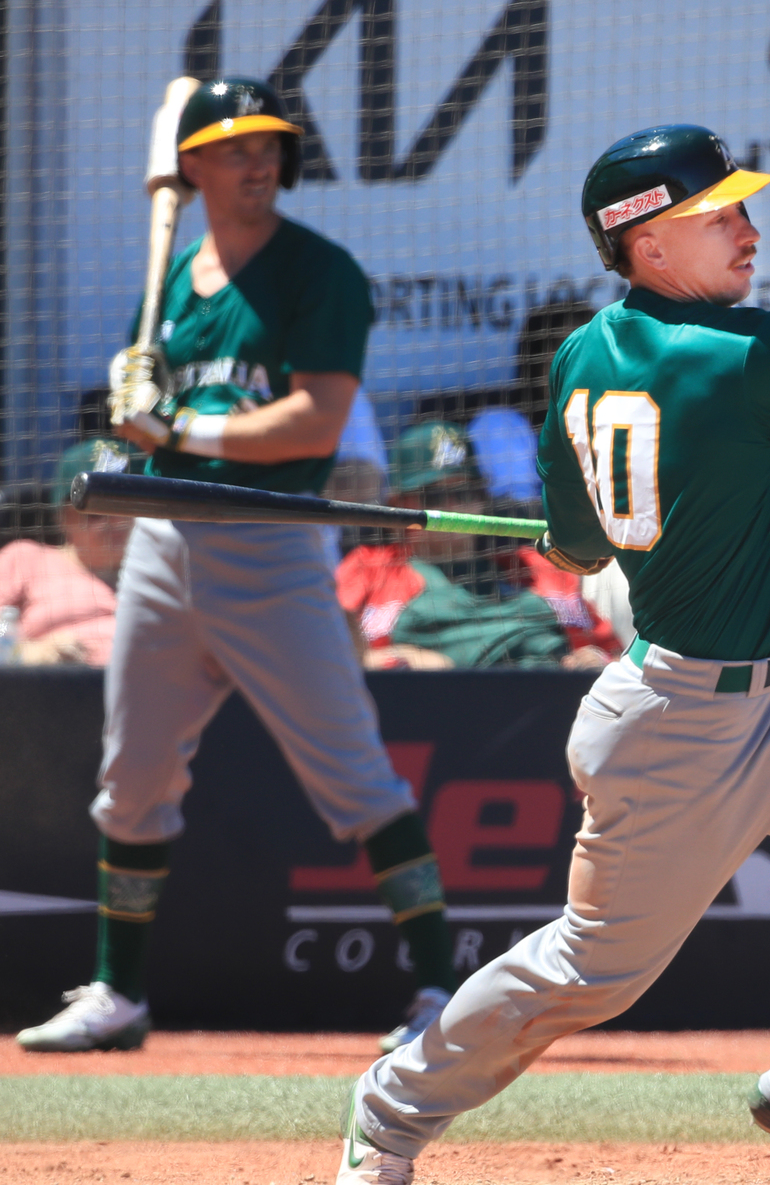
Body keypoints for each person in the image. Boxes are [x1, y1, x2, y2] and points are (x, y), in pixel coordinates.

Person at [336, 123, 770, 1185]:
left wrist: (579, 535)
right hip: (681, 722)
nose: (749, 229)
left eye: (742, 208)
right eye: (719, 214)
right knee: (593, 970)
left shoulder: (579, 354)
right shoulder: (757, 351)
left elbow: (577, 545)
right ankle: (391, 1109)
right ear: (647, 245)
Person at [17, 78, 456, 1055]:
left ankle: (439, 990)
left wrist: (176, 425)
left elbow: (316, 422)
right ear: (192, 167)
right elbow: (154, 417)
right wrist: (133, 402)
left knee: (356, 777)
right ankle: (118, 991)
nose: (257, 162)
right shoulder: (171, 281)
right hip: (163, 542)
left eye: (269, 146)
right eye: (233, 147)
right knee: (132, 777)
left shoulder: (321, 271)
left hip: (271, 541)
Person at [336, 421, 618, 670]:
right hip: (436, 702)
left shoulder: (538, 566)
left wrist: (592, 658)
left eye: (464, 493)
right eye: (434, 497)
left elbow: (612, 652)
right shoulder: (369, 568)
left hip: (551, 694)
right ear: (398, 505)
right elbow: (327, 653)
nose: (453, 507)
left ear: (483, 497)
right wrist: (396, 660)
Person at [0, 439, 136, 667]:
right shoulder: (26, 559)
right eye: (96, 512)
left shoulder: (171, 570)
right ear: (62, 516)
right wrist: (23, 653)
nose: (115, 521)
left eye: (126, 507)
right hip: (56, 685)